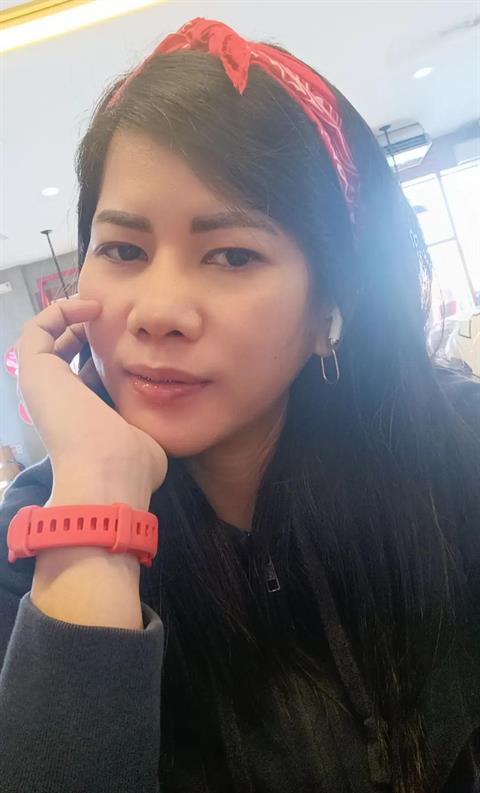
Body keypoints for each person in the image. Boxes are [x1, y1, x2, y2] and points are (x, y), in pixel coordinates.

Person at [0, 16, 479, 793]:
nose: (159, 311)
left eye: (232, 254)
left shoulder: (456, 450)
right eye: (122, 249)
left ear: (331, 303)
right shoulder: (31, 544)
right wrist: (97, 497)